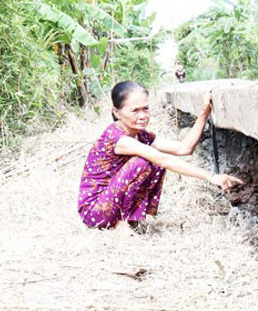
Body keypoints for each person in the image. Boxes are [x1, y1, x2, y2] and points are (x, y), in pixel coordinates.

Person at [77, 80, 243, 230]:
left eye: (145, 109)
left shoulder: (141, 135)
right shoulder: (119, 139)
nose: (142, 116)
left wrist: (204, 113)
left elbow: (185, 148)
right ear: (116, 112)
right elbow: (163, 159)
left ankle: (127, 220)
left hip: (110, 202)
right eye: (134, 111)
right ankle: (121, 223)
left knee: (151, 162)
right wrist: (212, 177)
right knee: (144, 162)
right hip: (95, 212)